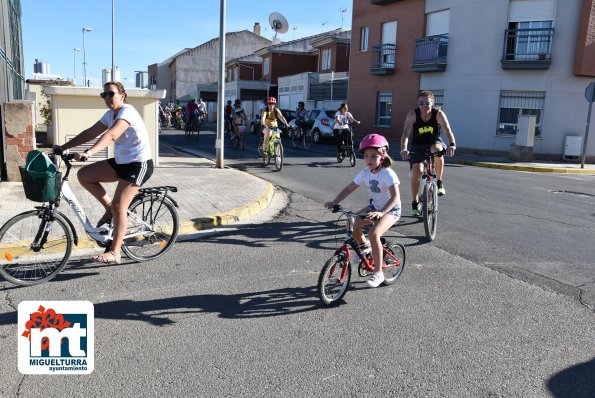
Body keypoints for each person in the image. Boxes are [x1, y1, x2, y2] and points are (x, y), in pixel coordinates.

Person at [53, 81, 154, 264]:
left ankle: (115, 252)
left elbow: (112, 135)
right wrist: (63, 148)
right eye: (104, 95)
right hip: (121, 162)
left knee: (119, 206)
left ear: (122, 95)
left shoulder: (127, 111)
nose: (107, 98)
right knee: (84, 175)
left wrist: (89, 153)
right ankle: (110, 209)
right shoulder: (109, 115)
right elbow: (90, 133)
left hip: (138, 165)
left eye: (111, 94)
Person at [325, 134, 401, 288]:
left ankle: (378, 273)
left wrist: (382, 212)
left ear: (382, 155)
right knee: (350, 225)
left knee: (374, 233)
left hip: (391, 210)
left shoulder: (387, 173)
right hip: (374, 208)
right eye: (366, 156)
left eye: (373, 156)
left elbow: (395, 197)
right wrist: (335, 202)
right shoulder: (365, 173)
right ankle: (366, 246)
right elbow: (349, 189)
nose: (369, 159)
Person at [400, 90, 456, 216]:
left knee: (437, 150)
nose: (424, 106)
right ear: (418, 103)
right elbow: (406, 133)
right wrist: (404, 148)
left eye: (427, 103)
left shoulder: (438, 114)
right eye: (421, 103)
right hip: (418, 144)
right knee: (417, 170)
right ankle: (415, 202)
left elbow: (447, 130)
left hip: (433, 141)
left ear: (433, 103)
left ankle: (439, 182)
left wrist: (452, 145)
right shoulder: (413, 114)